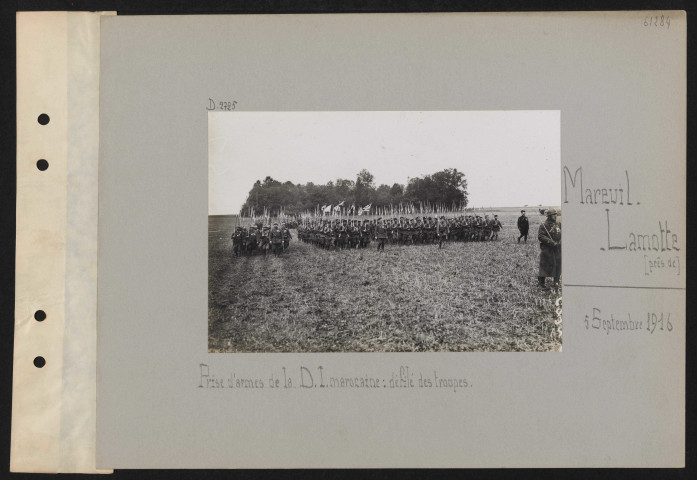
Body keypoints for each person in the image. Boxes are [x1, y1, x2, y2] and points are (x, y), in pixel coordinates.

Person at [538, 209, 561, 292]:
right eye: (553, 215)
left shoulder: (558, 224)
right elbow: (541, 236)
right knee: (545, 265)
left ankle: (556, 282)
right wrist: (551, 242)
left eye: (556, 214)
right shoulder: (544, 225)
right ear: (549, 216)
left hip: (557, 248)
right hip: (547, 249)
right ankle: (541, 284)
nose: (555, 216)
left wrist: (560, 242)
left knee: (558, 265)